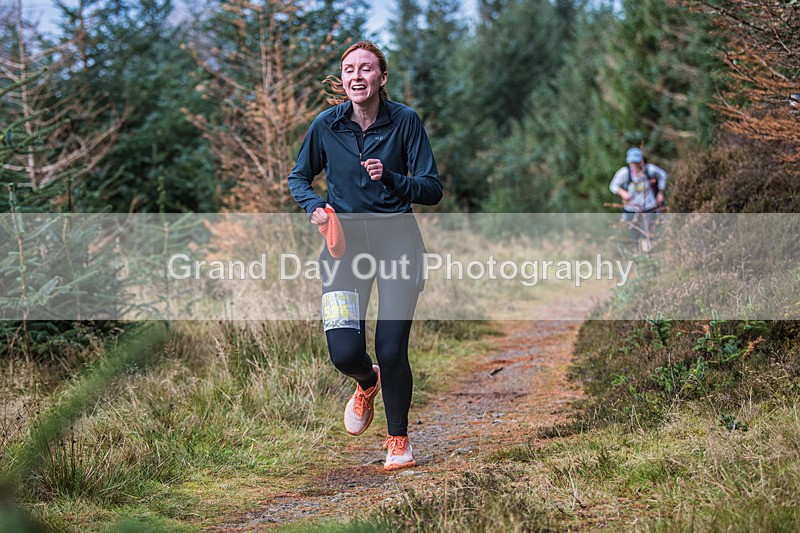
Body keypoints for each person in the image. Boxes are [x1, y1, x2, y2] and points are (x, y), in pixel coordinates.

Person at [287, 41, 442, 471]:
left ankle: (398, 440)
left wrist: (392, 178)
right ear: (343, 79)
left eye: (366, 69)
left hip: (398, 245)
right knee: (344, 352)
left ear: (382, 77)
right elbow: (299, 177)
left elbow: (431, 188)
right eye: (349, 69)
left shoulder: (405, 122)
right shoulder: (326, 125)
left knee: (391, 349)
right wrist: (313, 206)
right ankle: (365, 381)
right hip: (344, 248)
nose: (356, 76)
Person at [609, 147, 667, 252]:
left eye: (637, 162)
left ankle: (648, 257)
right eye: (632, 162)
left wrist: (660, 192)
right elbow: (613, 186)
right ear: (629, 162)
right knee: (633, 235)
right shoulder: (624, 173)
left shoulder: (650, 170)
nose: (635, 165)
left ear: (642, 160)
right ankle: (636, 258)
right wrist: (622, 192)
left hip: (649, 206)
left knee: (648, 233)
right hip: (631, 209)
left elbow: (663, 175)